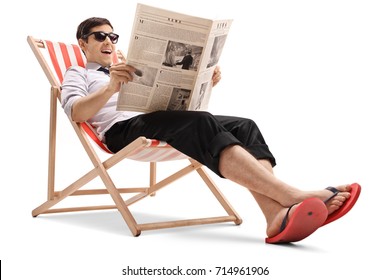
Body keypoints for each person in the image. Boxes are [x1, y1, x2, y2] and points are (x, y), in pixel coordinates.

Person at [61, 17, 361, 244]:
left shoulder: (132, 65)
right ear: (83, 43)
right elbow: (76, 112)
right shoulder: (77, 73)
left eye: (112, 36)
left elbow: (176, 105)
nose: (108, 41)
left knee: (245, 126)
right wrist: (111, 86)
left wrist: (203, 81)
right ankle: (291, 195)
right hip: (122, 132)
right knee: (201, 121)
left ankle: (274, 216)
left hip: (158, 121)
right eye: (99, 36)